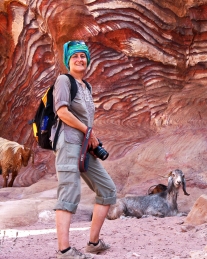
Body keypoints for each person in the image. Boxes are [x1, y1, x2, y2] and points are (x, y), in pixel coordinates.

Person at [52, 40, 117, 259]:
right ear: (68, 61)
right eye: (75, 56)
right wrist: (89, 132)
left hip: (84, 147)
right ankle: (65, 250)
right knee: (69, 193)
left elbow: (84, 117)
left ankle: (93, 242)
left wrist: (90, 139)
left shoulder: (86, 86)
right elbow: (62, 112)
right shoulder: (64, 80)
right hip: (69, 142)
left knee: (107, 190)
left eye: (83, 56)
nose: (79, 60)